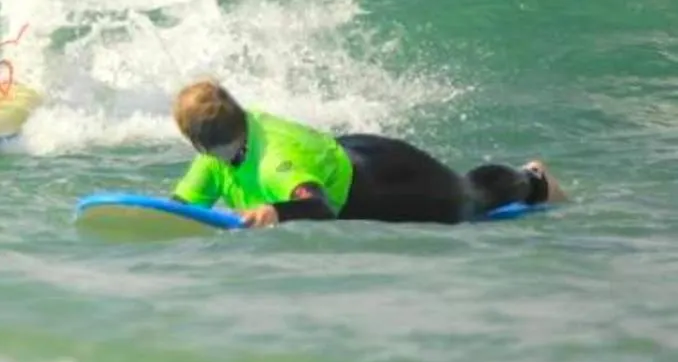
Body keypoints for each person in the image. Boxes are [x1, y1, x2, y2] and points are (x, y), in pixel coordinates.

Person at [169, 78, 567, 227]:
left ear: (197, 141)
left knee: (467, 202)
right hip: (343, 156)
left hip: (384, 178)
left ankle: (533, 180)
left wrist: (277, 211)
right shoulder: (214, 157)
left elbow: (318, 206)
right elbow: (181, 207)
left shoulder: (274, 162)